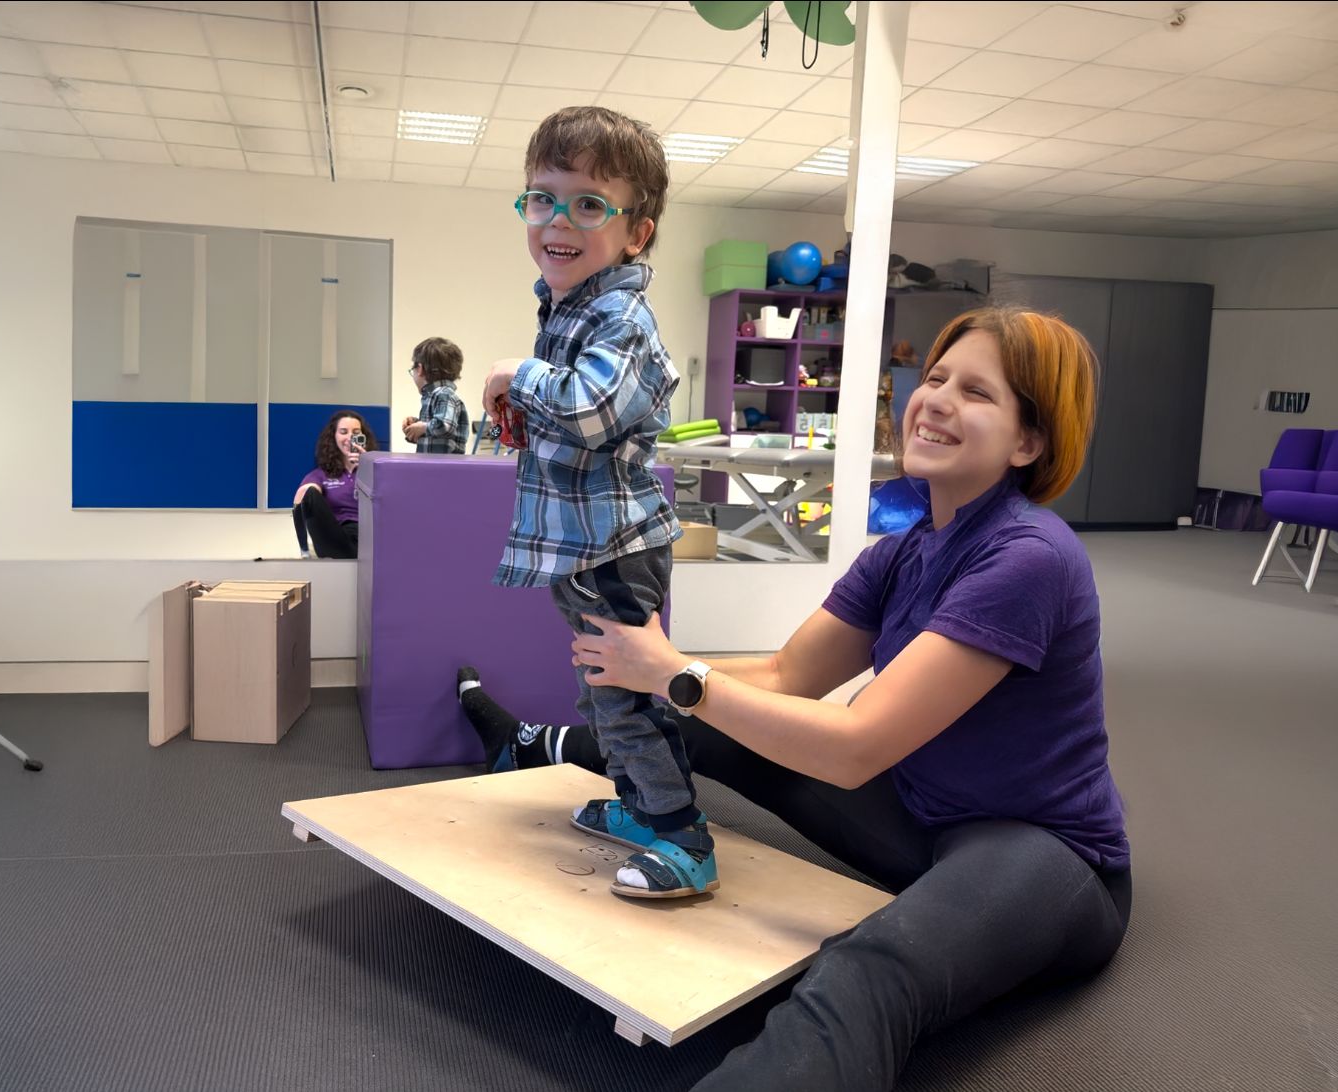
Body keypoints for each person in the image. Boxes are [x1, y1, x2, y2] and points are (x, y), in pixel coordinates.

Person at [460, 307, 1131, 1090]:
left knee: (869, 971)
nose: (937, 400)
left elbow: (855, 747)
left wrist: (675, 674)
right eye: (937, 378)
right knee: (699, 715)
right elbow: (787, 675)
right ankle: (532, 746)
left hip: (1043, 852)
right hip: (919, 815)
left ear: (1029, 442)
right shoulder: (904, 552)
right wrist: (659, 670)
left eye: (977, 392)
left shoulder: (1030, 559)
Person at [480, 105, 709, 900]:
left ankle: (683, 835)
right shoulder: (571, 306)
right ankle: (642, 809)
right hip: (586, 548)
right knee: (600, 692)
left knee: (627, 696)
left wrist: (518, 373)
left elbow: (591, 410)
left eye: (588, 204)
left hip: (615, 549)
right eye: (542, 198)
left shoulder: (622, 316)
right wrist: (520, 408)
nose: (557, 220)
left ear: (636, 233)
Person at [292, 410, 373, 560]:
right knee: (309, 493)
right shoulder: (321, 474)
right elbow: (302, 498)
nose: (350, 437)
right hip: (335, 538)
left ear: (364, 437)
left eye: (356, 433)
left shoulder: (375, 471)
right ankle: (306, 552)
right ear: (334, 437)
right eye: (343, 432)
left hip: (371, 538)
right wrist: (310, 491)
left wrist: (368, 466)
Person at [402, 337, 470, 454]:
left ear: (419, 369)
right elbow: (437, 433)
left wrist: (423, 427)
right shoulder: (435, 396)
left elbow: (445, 426)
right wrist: (416, 427)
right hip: (432, 462)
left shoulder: (444, 394)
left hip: (444, 464)